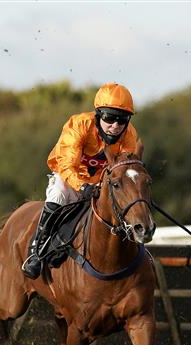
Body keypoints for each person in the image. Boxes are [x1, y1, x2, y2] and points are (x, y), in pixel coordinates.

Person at [21, 82, 144, 279]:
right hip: (71, 179)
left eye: (122, 120)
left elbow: (125, 172)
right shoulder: (79, 125)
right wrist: (82, 185)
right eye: (109, 117)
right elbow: (66, 165)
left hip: (101, 185)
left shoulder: (129, 135)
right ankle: (36, 251)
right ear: (98, 114)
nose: (115, 126)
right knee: (59, 193)